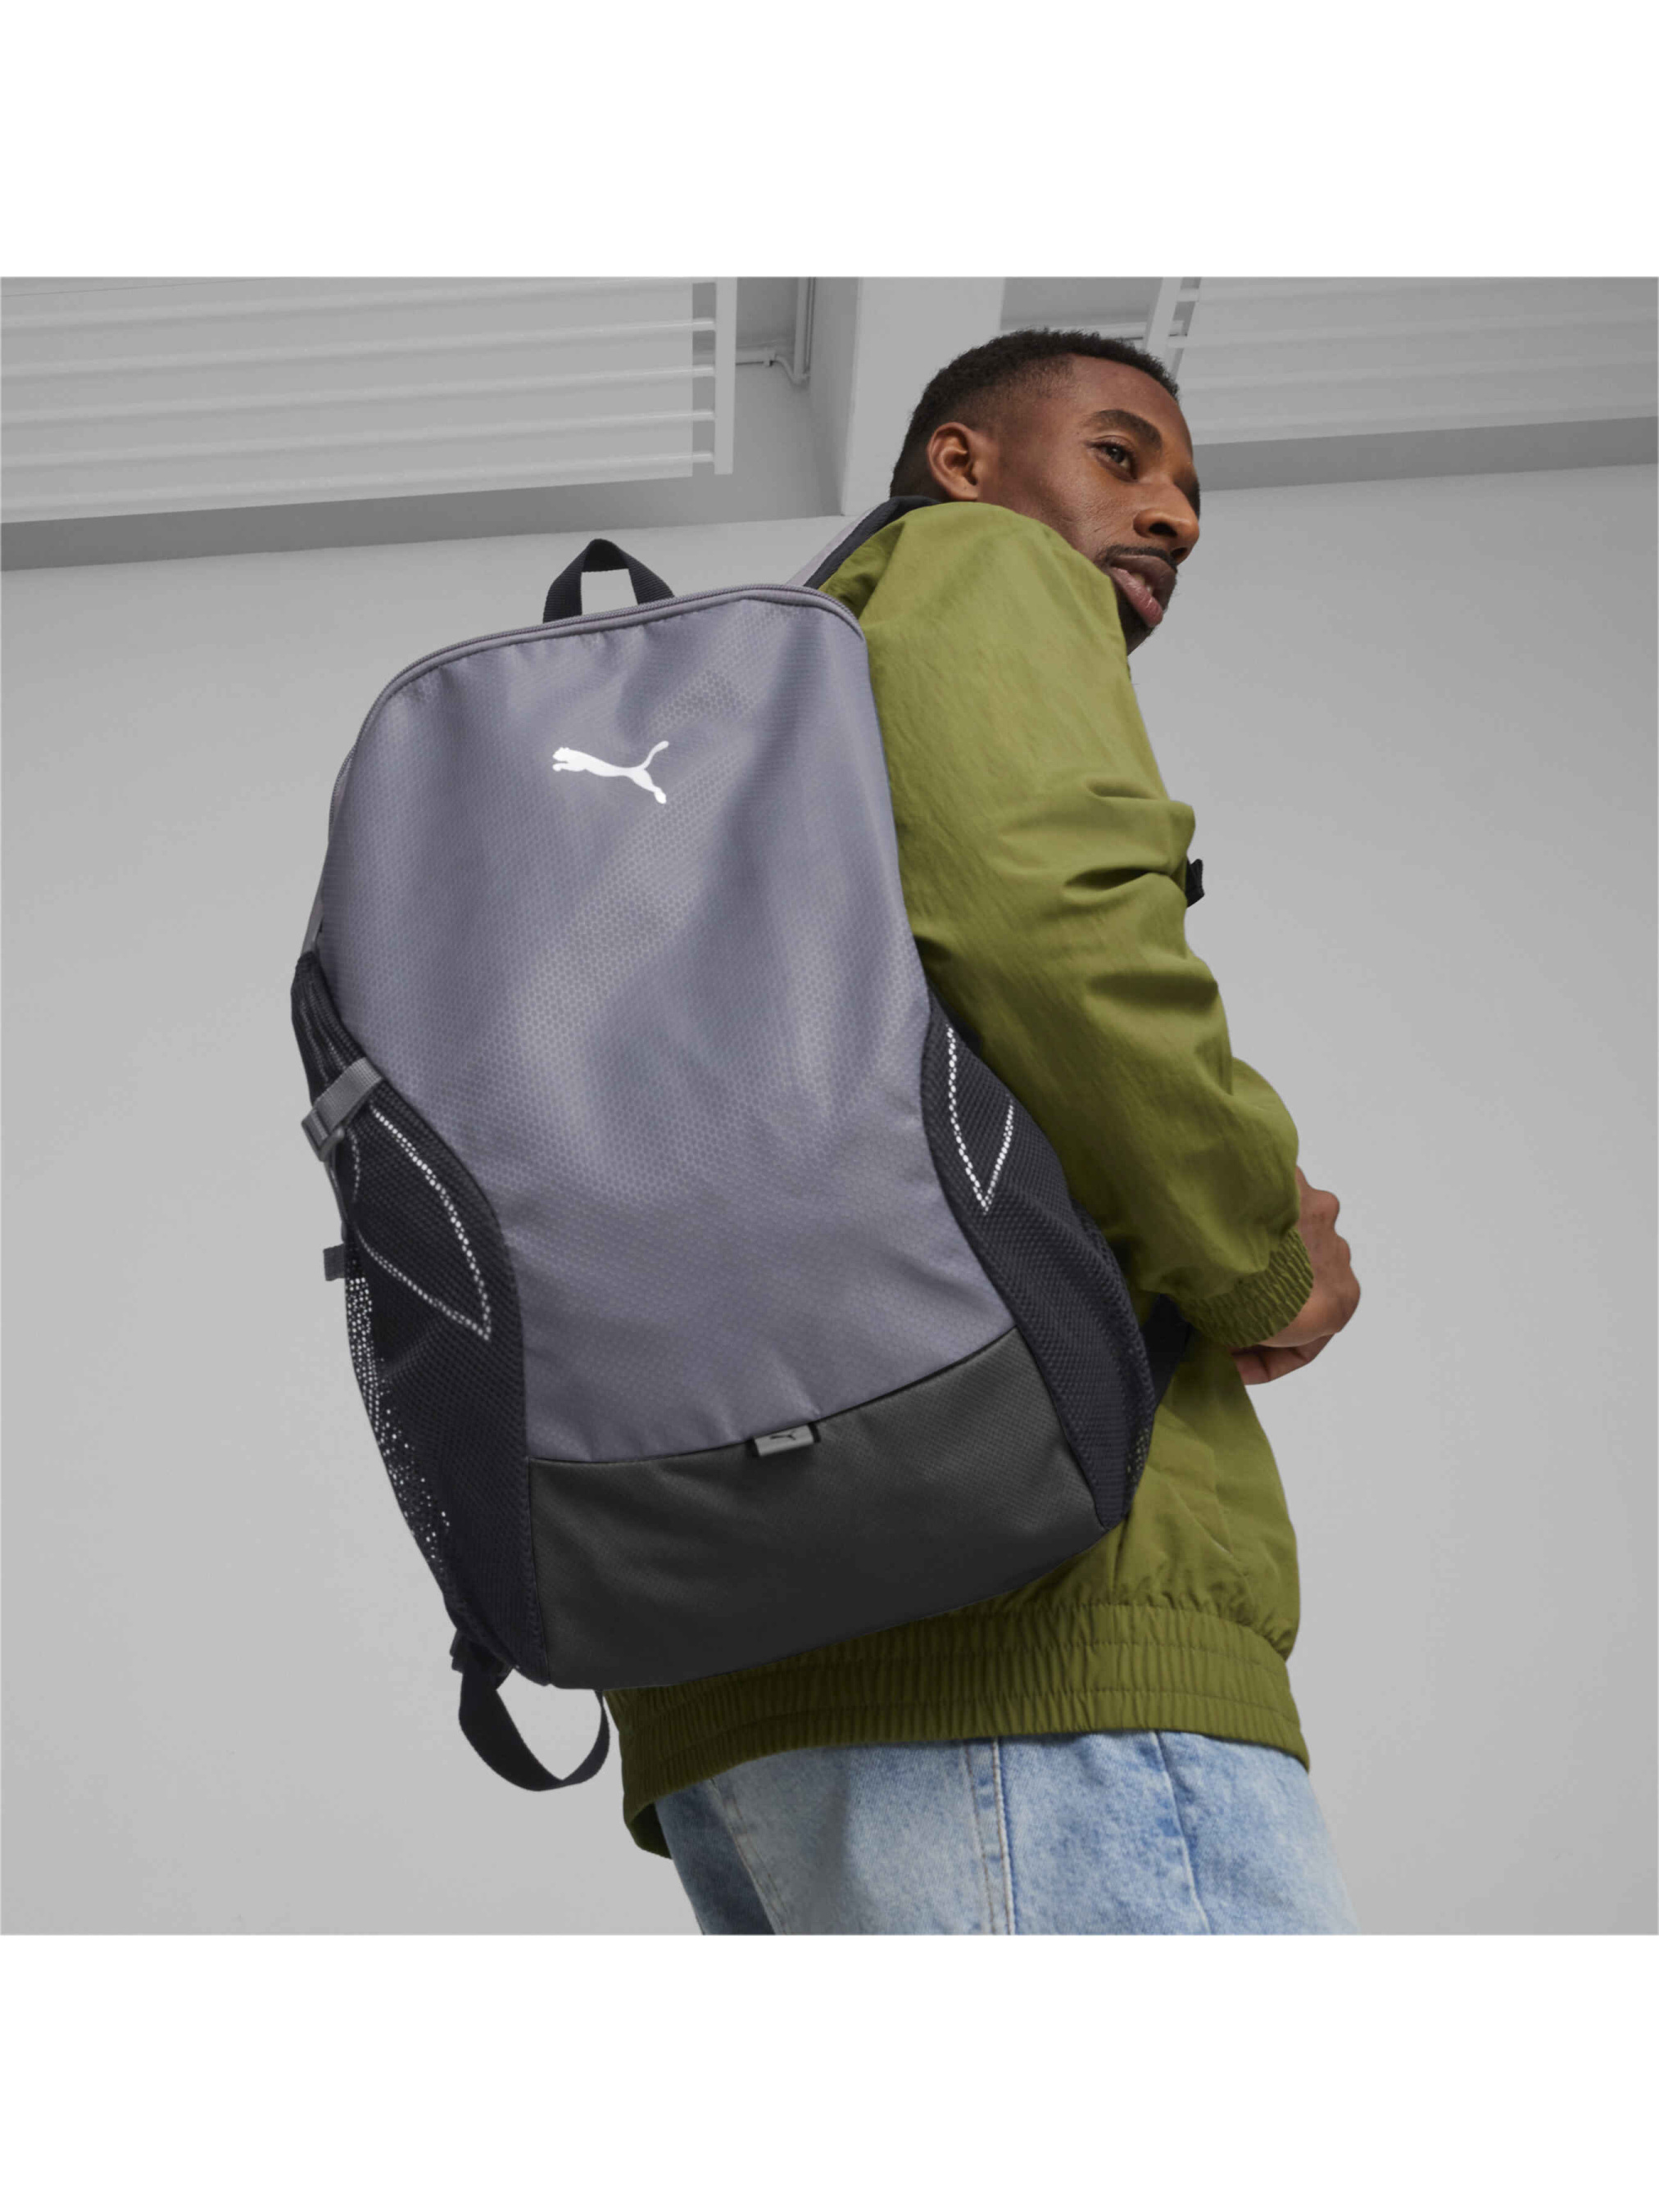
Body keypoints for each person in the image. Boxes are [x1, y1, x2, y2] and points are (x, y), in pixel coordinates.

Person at [605, 329, 1363, 1933]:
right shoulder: (974, 564)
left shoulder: (752, 739)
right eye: (1119, 454)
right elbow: (1043, 923)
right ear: (962, 463)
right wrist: (1257, 1249)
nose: (1175, 515)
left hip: (722, 1680)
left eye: (1189, 492)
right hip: (1034, 1639)